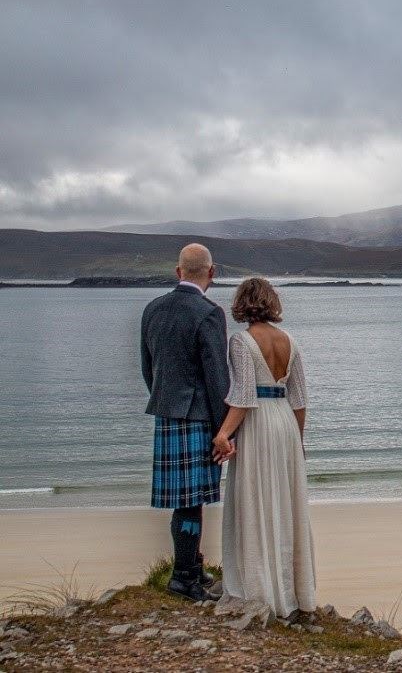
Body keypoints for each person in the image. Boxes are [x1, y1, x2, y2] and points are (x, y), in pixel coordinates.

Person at [213, 277, 316, 618]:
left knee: (256, 500)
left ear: (242, 303)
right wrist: (296, 441)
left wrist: (224, 434)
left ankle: (260, 588)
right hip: (285, 421)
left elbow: (242, 396)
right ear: (272, 302)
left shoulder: (241, 342)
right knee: (284, 504)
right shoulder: (291, 341)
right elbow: (300, 400)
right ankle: (292, 591)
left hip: (258, 423)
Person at [140, 243, 227, 602]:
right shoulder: (209, 312)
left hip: (167, 412)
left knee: (184, 500)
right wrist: (225, 430)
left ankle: (190, 566)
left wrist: (165, 400)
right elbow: (217, 377)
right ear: (212, 272)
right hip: (198, 416)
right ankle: (183, 577)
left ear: (178, 272)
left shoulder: (152, 309)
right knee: (192, 500)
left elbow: (149, 368)